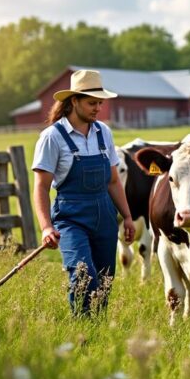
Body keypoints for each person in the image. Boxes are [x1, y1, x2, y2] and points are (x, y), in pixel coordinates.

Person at [31, 70, 135, 315]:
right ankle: (80, 330)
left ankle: (96, 331)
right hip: (71, 217)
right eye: (91, 103)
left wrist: (127, 216)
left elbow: (112, 181)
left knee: (104, 279)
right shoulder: (52, 137)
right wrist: (46, 227)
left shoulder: (103, 133)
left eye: (100, 103)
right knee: (82, 274)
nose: (97, 108)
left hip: (104, 215)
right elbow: (41, 186)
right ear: (74, 101)